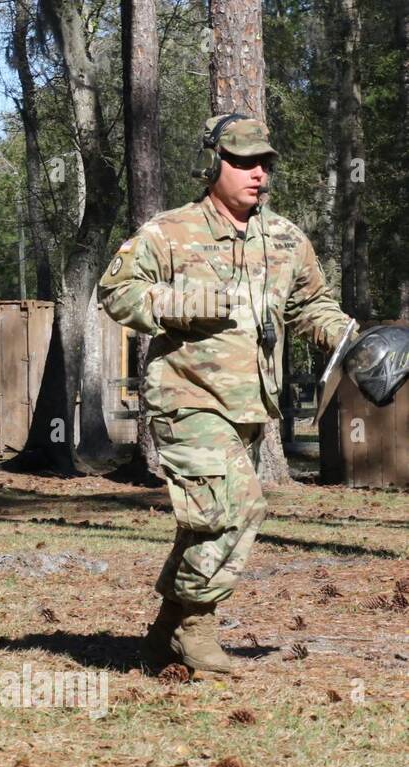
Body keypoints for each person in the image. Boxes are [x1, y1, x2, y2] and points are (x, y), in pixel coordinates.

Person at [99, 114, 358, 675]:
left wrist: (341, 333)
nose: (257, 173)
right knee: (236, 508)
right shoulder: (169, 232)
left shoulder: (286, 238)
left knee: (204, 521)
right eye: (242, 161)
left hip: (250, 404)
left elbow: (310, 304)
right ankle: (198, 630)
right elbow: (117, 292)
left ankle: (162, 636)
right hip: (186, 398)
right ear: (212, 164)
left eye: (264, 162)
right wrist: (181, 303)